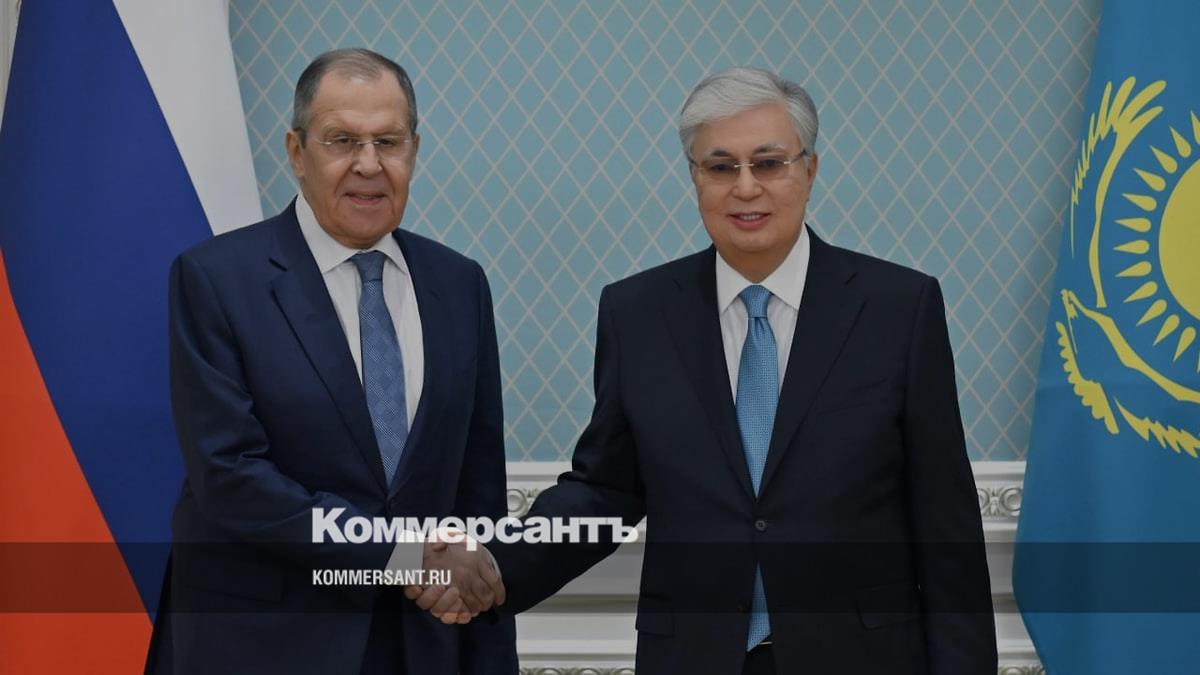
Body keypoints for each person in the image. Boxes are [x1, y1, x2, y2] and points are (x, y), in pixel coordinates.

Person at [412, 67, 997, 673]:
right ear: (695, 177)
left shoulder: (897, 308)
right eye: (721, 167)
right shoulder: (637, 314)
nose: (745, 187)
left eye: (768, 163)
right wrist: (496, 562)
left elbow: (944, 524)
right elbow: (606, 488)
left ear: (809, 170)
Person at [147, 48, 515, 675]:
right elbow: (230, 474)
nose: (368, 164)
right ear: (297, 152)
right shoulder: (217, 279)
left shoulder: (459, 284)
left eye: (388, 142)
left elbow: (477, 485)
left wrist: (479, 622)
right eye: (342, 140)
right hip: (265, 647)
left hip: (425, 640)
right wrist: (399, 555)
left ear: (414, 151)